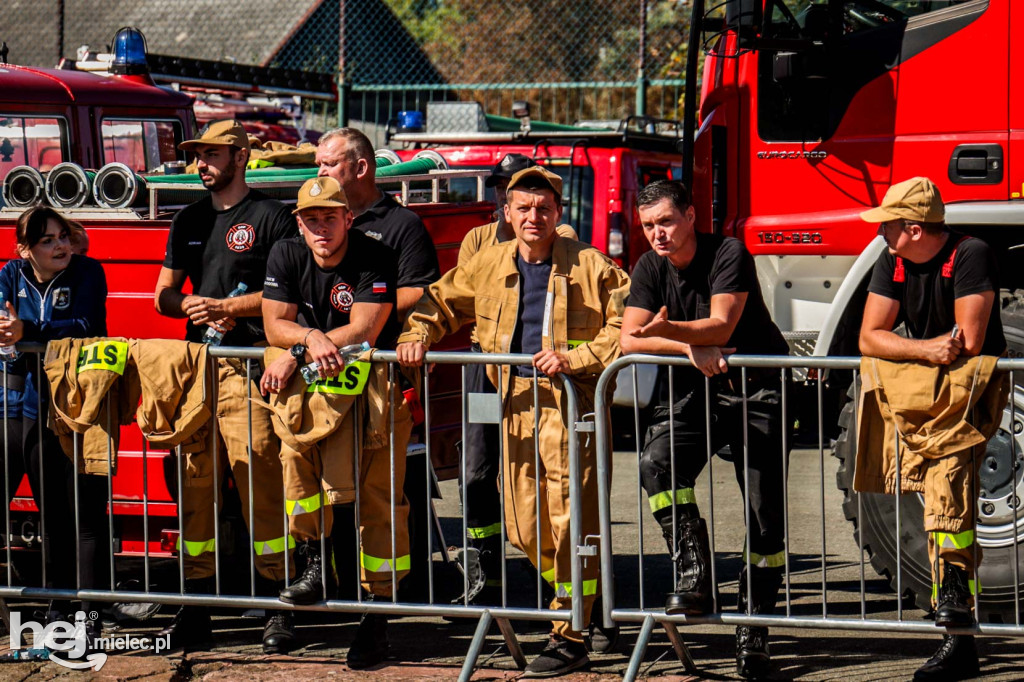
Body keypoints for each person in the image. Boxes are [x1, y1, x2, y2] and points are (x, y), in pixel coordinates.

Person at [397, 166, 630, 677]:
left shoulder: (592, 266)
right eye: (523, 208)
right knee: (526, 525)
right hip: (515, 405)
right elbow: (439, 301)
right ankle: (581, 607)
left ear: (558, 214)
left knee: (571, 521)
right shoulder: (486, 262)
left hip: (571, 406)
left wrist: (580, 357)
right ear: (506, 214)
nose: (533, 217)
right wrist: (417, 334)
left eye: (543, 208)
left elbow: (629, 322)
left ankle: (571, 632)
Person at [620, 180, 790, 680]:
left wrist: (670, 332)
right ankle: (696, 576)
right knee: (657, 463)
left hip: (757, 388)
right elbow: (631, 340)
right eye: (649, 225)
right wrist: (687, 349)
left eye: (666, 222)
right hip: (697, 386)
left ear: (691, 216)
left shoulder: (728, 251)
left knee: (764, 516)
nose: (658, 234)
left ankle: (753, 629)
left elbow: (721, 325)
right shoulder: (649, 266)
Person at [153, 119, 297, 653]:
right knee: (195, 487)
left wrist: (231, 307)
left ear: (240, 157)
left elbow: (289, 291)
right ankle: (196, 606)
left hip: (251, 370)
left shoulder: (272, 218)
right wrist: (186, 304)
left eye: (212, 155)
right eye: (197, 156)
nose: (201, 165)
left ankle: (275, 605)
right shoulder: (187, 218)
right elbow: (163, 294)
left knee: (260, 479)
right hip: (197, 369)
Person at [857, 177, 1007, 681]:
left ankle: (958, 628)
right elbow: (868, 337)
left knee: (948, 495)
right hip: (925, 389)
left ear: (915, 228)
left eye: (889, 227)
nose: (881, 235)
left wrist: (922, 352)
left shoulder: (971, 254)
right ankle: (959, 633)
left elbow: (969, 341)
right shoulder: (892, 259)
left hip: (970, 395)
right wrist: (923, 350)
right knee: (940, 505)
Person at [260, 175, 407, 669]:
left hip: (371, 400)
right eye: (310, 219)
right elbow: (273, 324)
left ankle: (377, 622)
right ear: (298, 223)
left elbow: (366, 327)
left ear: (348, 217)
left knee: (374, 504)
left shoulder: (374, 255)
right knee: (301, 485)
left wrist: (301, 346)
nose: (320, 228)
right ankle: (313, 573)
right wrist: (306, 343)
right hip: (307, 395)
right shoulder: (285, 253)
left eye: (329, 217)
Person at [316, 127, 439, 601]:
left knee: (383, 492)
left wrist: (371, 308)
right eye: (319, 164)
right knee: (333, 489)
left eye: (329, 164)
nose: (320, 172)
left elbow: (421, 289)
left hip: (381, 377)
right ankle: (340, 587)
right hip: (326, 374)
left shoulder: (401, 224)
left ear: (361, 167)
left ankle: (392, 594)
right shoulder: (315, 219)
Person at [452, 153, 577, 606]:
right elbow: (461, 294)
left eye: (535, 201)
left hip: (536, 377)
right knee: (477, 469)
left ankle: (558, 582)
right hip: (485, 370)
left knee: (544, 478)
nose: (526, 210)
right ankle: (485, 573)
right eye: (510, 194)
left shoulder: (562, 239)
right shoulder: (478, 240)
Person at [0, 205, 109, 639]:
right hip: (19, 408)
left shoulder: (88, 272)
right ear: (25, 248)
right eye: (47, 240)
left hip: (74, 409)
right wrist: (14, 333)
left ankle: (82, 609)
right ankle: (48, 603)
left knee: (73, 514)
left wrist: (30, 331)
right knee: (46, 514)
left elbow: (86, 325)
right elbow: (5, 325)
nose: (61, 245)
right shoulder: (10, 273)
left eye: (62, 236)